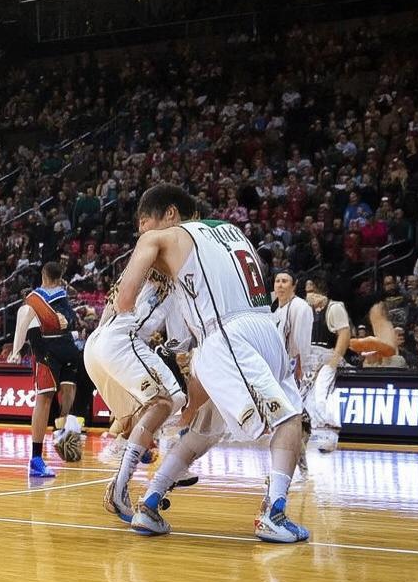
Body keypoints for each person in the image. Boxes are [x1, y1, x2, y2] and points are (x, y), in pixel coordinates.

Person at [120, 184, 308, 543]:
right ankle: (150, 502)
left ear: (171, 214)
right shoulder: (231, 230)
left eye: (144, 223)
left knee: (283, 419)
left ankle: (274, 513)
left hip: (224, 336)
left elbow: (127, 298)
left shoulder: (164, 238)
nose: (142, 232)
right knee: (210, 430)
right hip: (262, 327)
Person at [84, 265, 191, 520]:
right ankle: (132, 475)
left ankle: (123, 447)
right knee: (172, 398)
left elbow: (111, 307)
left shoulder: (134, 270)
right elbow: (178, 343)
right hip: (124, 340)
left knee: (137, 417)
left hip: (96, 342)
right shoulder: (177, 281)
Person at [7, 262, 89, 477]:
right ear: (60, 277)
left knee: (65, 391)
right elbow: (25, 320)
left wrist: (16, 350)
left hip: (63, 346)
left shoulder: (60, 299)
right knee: (48, 397)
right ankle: (36, 458)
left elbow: (24, 322)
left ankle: (61, 430)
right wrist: (16, 350)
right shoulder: (35, 300)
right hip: (47, 349)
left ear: (43, 275)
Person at [271, 271, 313, 476]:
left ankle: (298, 461)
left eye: (285, 281)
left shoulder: (300, 307)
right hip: (281, 371)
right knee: (290, 418)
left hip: (296, 369)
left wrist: (300, 366)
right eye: (277, 281)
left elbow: (302, 341)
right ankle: (300, 462)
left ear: (294, 286)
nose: (280, 285)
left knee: (293, 418)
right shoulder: (276, 311)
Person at [303, 275, 351, 454]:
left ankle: (329, 436)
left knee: (320, 395)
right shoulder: (306, 310)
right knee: (304, 400)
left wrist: (334, 360)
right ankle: (313, 437)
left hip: (328, 356)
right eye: (306, 292)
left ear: (320, 291)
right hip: (309, 358)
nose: (307, 296)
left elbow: (344, 335)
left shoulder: (335, 307)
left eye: (311, 292)